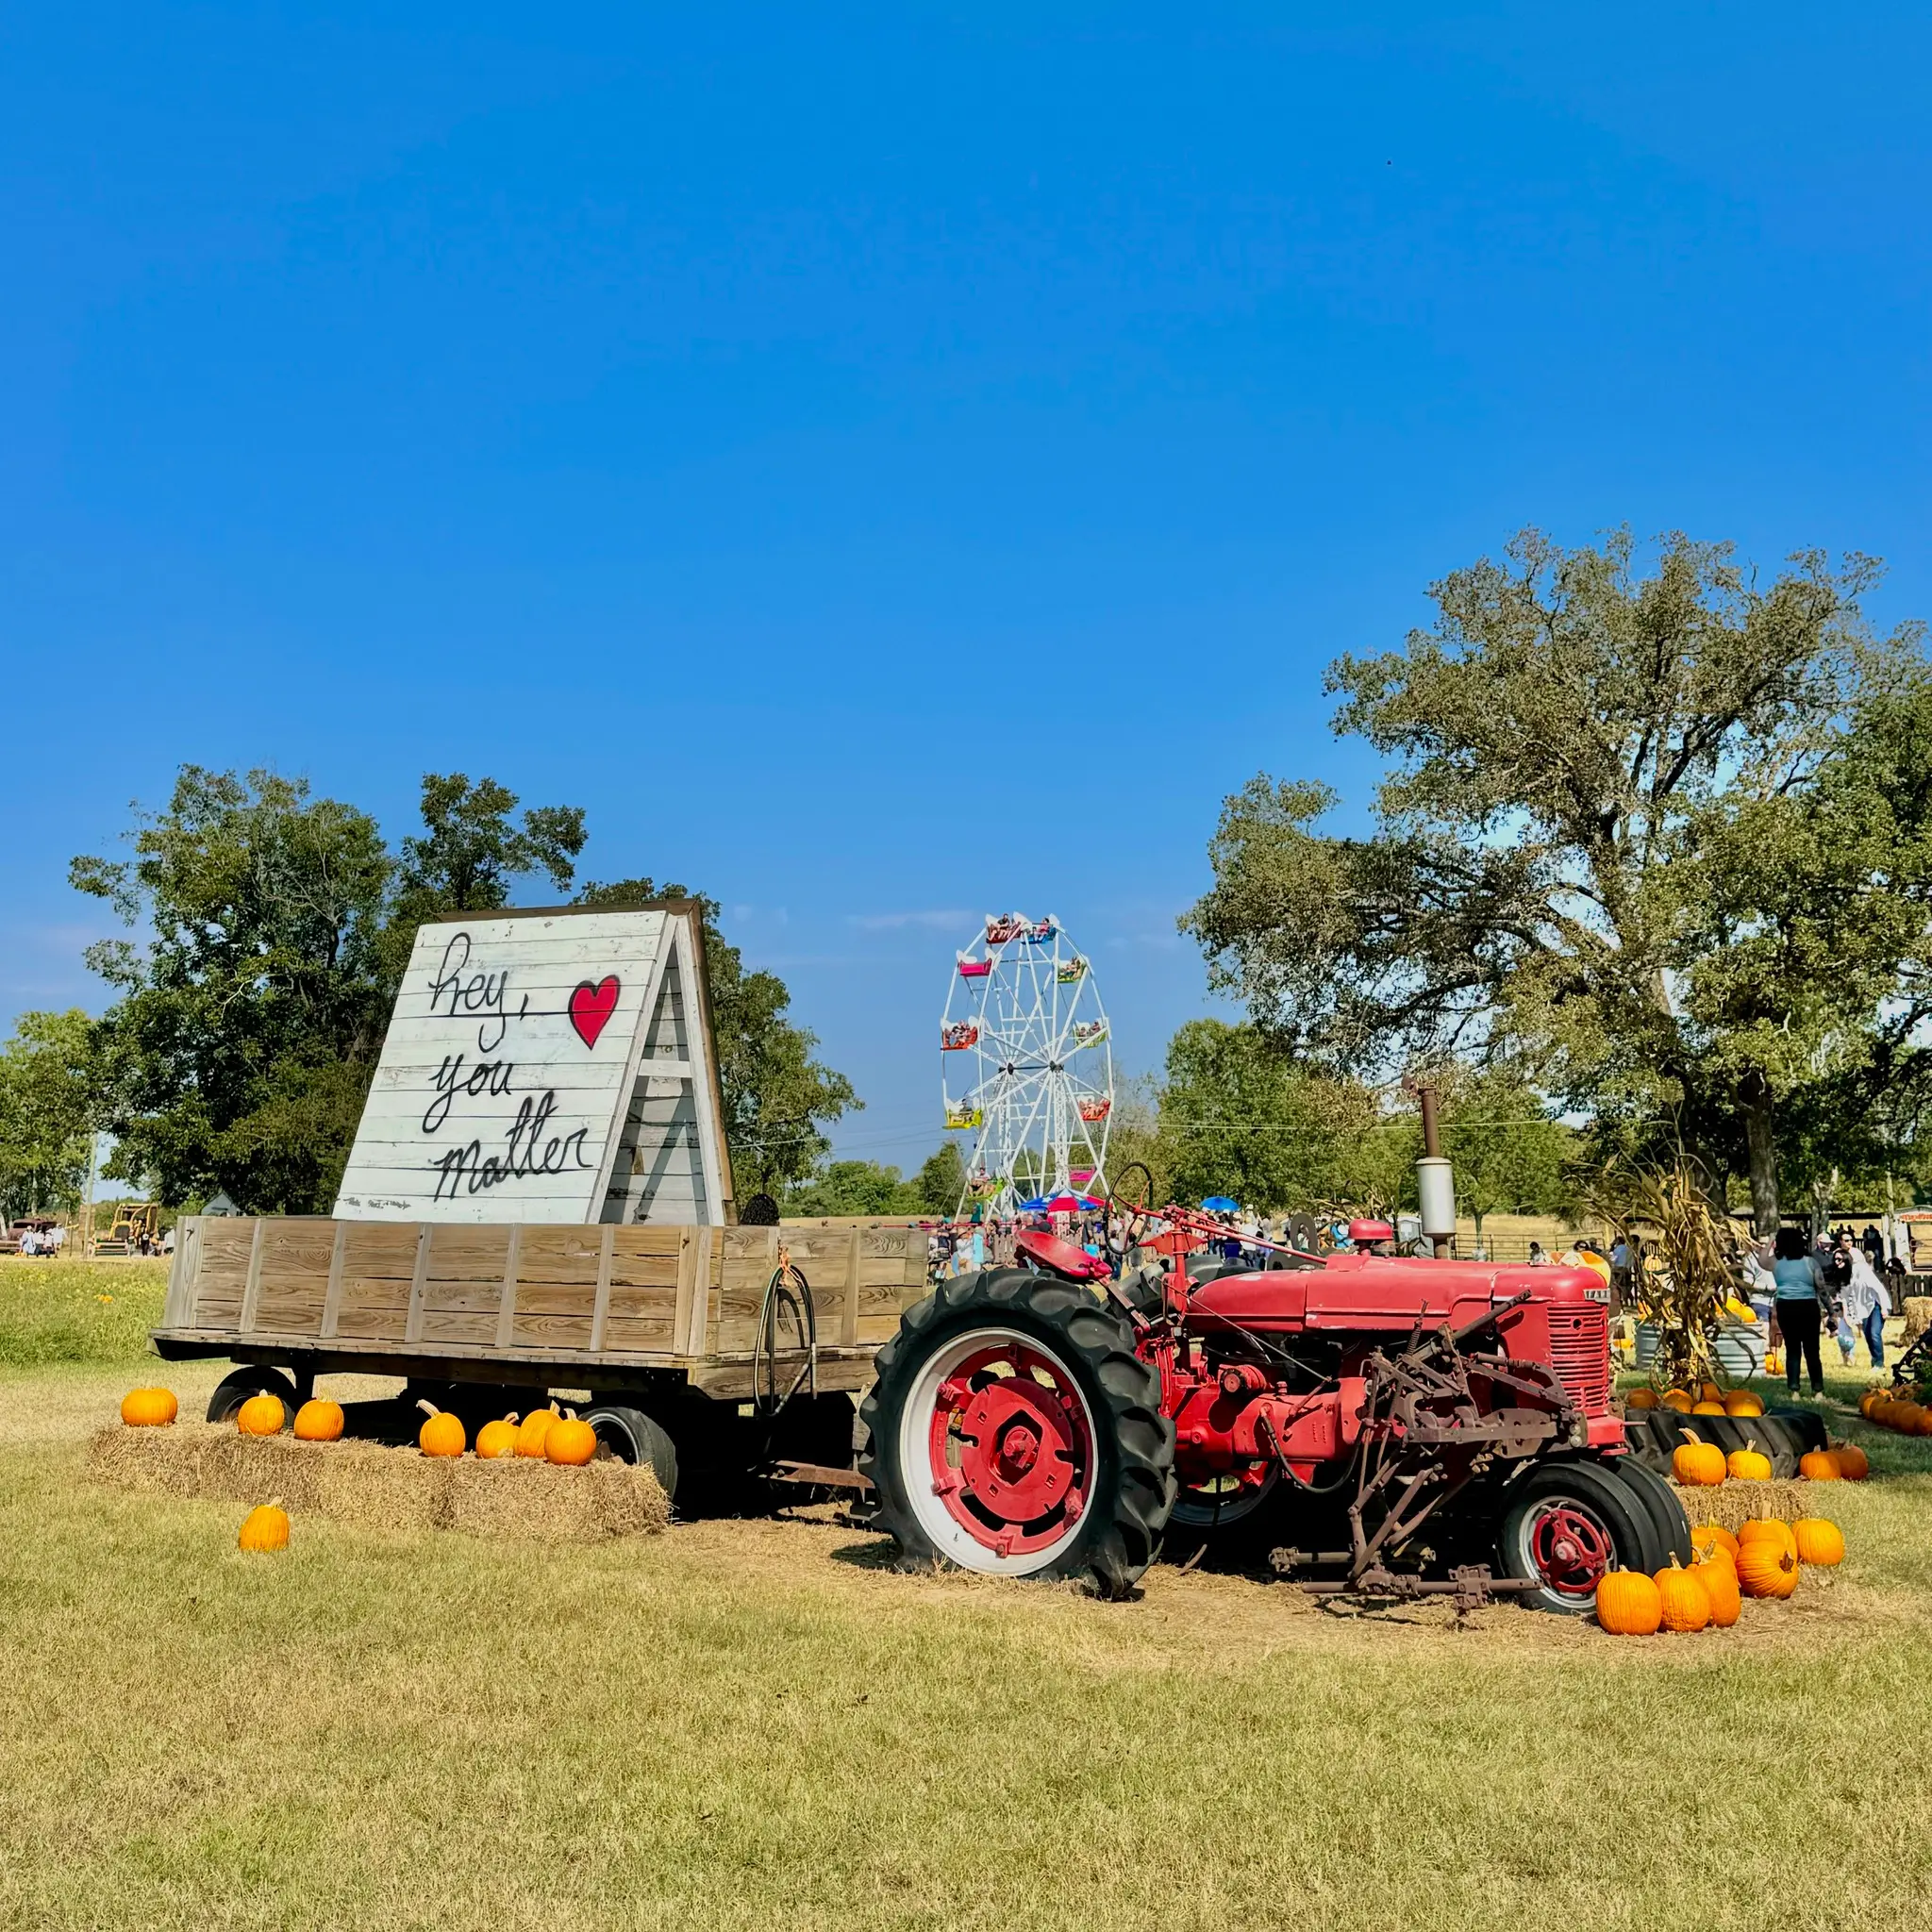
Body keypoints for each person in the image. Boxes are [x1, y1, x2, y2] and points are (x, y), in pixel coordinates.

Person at [1770, 1225, 1828, 1396]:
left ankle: (1794, 1389)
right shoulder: (1811, 1262)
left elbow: (1761, 1259)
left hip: (1786, 1307)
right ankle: (1818, 1390)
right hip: (1808, 1306)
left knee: (1792, 1349)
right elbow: (1821, 1289)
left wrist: (1770, 1242)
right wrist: (1831, 1311)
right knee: (1812, 1350)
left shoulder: (1776, 1263)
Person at [1840, 1242, 1891, 1370]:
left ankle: (1879, 1363)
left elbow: (1879, 1290)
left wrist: (1884, 1308)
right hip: (1864, 1309)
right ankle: (1875, 1359)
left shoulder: (1864, 1271)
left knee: (1874, 1333)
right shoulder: (1846, 1275)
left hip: (1877, 1305)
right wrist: (1852, 1315)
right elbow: (1847, 1296)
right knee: (1868, 1335)